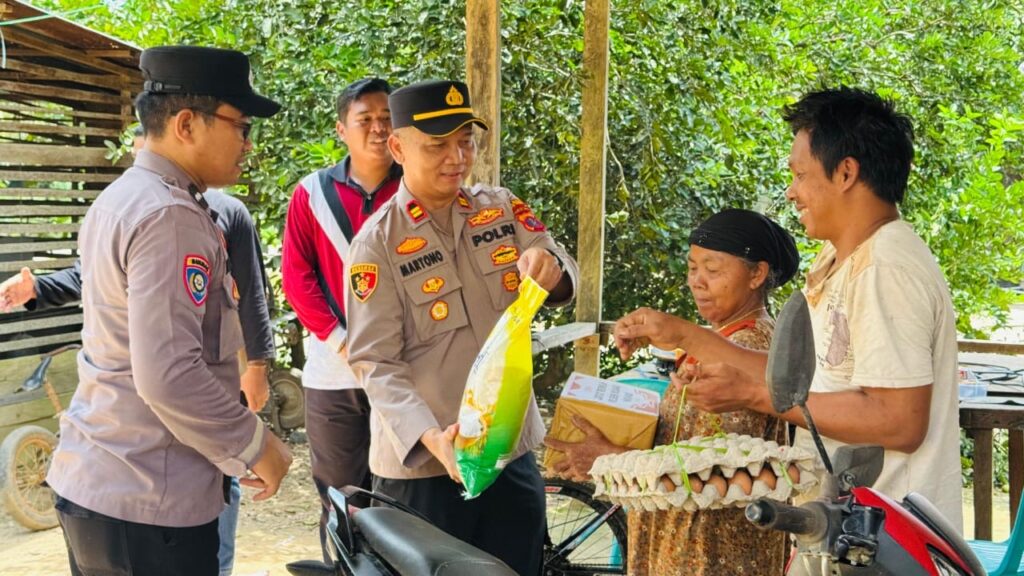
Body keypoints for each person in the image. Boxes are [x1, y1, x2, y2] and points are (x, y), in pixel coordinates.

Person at [614, 87, 963, 530]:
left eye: (800, 175)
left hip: (886, 537)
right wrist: (682, 334)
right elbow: (802, 381)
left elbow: (899, 422)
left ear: (846, 173)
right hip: (842, 528)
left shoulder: (885, 268)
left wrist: (753, 394)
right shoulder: (841, 260)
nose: (791, 192)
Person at [45, 46, 292, 576]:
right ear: (186, 124)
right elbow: (169, 375)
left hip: (101, 482)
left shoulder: (122, 198)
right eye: (241, 126)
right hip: (148, 503)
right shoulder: (169, 216)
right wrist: (255, 444)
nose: (248, 144)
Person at [0, 125, 274, 576]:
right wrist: (39, 290)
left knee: (221, 482)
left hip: (195, 407)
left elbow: (253, 294)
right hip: (140, 455)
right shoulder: (145, 209)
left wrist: (258, 365)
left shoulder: (223, 213)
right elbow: (90, 278)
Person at [343, 79, 580, 576]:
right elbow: (375, 362)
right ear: (398, 148)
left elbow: (559, 265)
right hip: (424, 470)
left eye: (466, 142)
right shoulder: (376, 244)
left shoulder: (501, 208)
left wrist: (551, 267)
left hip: (508, 455)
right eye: (437, 145)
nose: (457, 158)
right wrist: (432, 438)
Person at [546, 208, 798, 576]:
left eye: (713, 270)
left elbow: (712, 475)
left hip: (708, 550)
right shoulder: (728, 339)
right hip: (687, 540)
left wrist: (610, 458)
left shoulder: (748, 344)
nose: (697, 282)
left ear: (757, 274)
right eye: (692, 268)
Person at [280, 77, 400, 551]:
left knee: (405, 497)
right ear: (341, 130)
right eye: (364, 119)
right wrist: (343, 342)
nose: (378, 128)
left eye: (387, 118)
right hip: (335, 373)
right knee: (341, 497)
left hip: (405, 370)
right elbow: (297, 278)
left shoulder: (416, 188)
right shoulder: (311, 194)